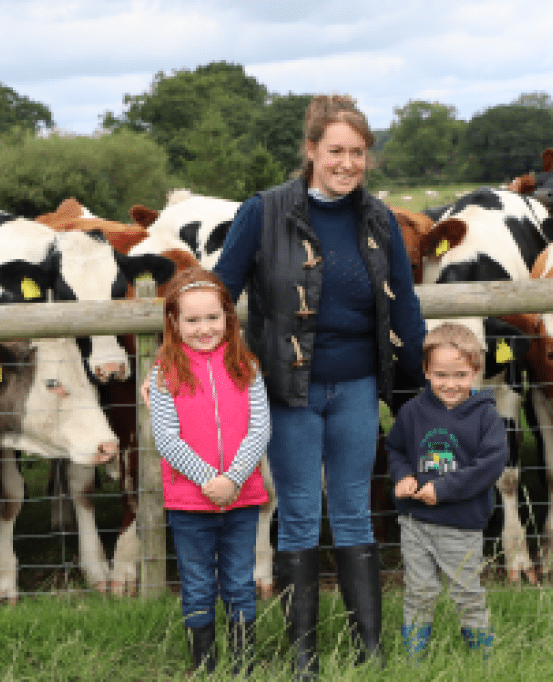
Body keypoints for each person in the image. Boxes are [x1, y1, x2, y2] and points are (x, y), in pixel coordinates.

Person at [213, 93, 426, 676]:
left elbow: (403, 300)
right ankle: (304, 656)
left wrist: (424, 375)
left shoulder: (378, 217)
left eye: (358, 152)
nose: (347, 163)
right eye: (336, 150)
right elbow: (221, 289)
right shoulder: (264, 211)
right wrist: (204, 355)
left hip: (357, 384)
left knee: (356, 511)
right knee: (302, 513)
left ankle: (370, 650)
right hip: (289, 389)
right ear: (311, 151)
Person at [148, 267, 270, 676]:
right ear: (174, 322)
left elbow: (260, 428)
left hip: (242, 496)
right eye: (192, 320)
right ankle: (204, 665)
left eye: (213, 318)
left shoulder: (246, 367)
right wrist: (208, 480)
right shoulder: (165, 372)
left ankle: (244, 664)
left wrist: (233, 479)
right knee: (198, 584)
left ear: (228, 318)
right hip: (190, 501)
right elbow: (166, 437)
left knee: (239, 580)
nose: (204, 328)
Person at [386, 322, 509, 665]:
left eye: (460, 375)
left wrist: (443, 489)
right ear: (426, 371)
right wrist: (404, 475)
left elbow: (491, 464)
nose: (451, 384)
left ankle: (483, 660)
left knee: (467, 593)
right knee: (419, 593)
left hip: (461, 525)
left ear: (475, 371)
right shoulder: (412, 412)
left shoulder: (486, 416)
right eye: (441, 374)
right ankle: (413, 662)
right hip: (415, 523)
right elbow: (395, 448)